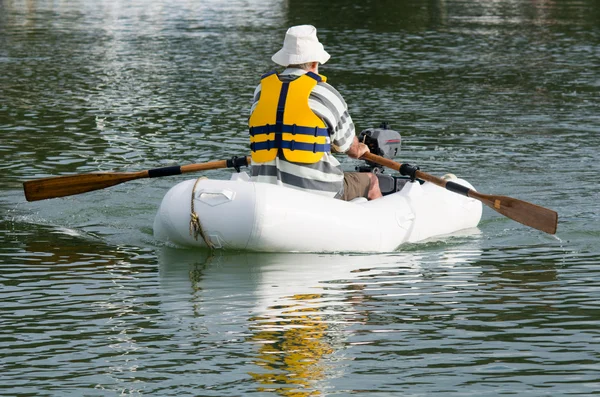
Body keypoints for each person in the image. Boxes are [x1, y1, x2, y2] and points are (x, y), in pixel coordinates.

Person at [248, 25, 382, 201]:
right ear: (314, 63)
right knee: (372, 182)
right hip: (318, 193)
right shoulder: (324, 92)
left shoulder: (261, 91)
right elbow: (350, 149)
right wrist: (361, 147)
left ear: (286, 61)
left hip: (266, 190)